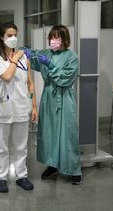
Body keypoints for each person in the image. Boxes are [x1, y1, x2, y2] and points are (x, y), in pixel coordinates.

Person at [23, 25, 82, 185]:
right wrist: (25, 51)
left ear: (64, 39)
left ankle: (74, 169)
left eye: (57, 38)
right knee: (49, 134)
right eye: (51, 37)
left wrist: (51, 66)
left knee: (67, 134)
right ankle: (52, 165)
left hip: (63, 97)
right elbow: (34, 56)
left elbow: (66, 78)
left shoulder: (72, 57)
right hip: (48, 97)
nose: (53, 41)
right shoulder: (46, 53)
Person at [0, 22, 38, 193]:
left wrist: (34, 105)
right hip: (3, 107)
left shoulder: (24, 57)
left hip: (22, 106)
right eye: (9, 35)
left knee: (21, 146)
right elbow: (7, 76)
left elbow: (30, 82)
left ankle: (21, 176)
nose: (13, 38)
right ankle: (0, 177)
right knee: (1, 146)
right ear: (2, 37)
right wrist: (15, 59)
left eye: (15, 34)